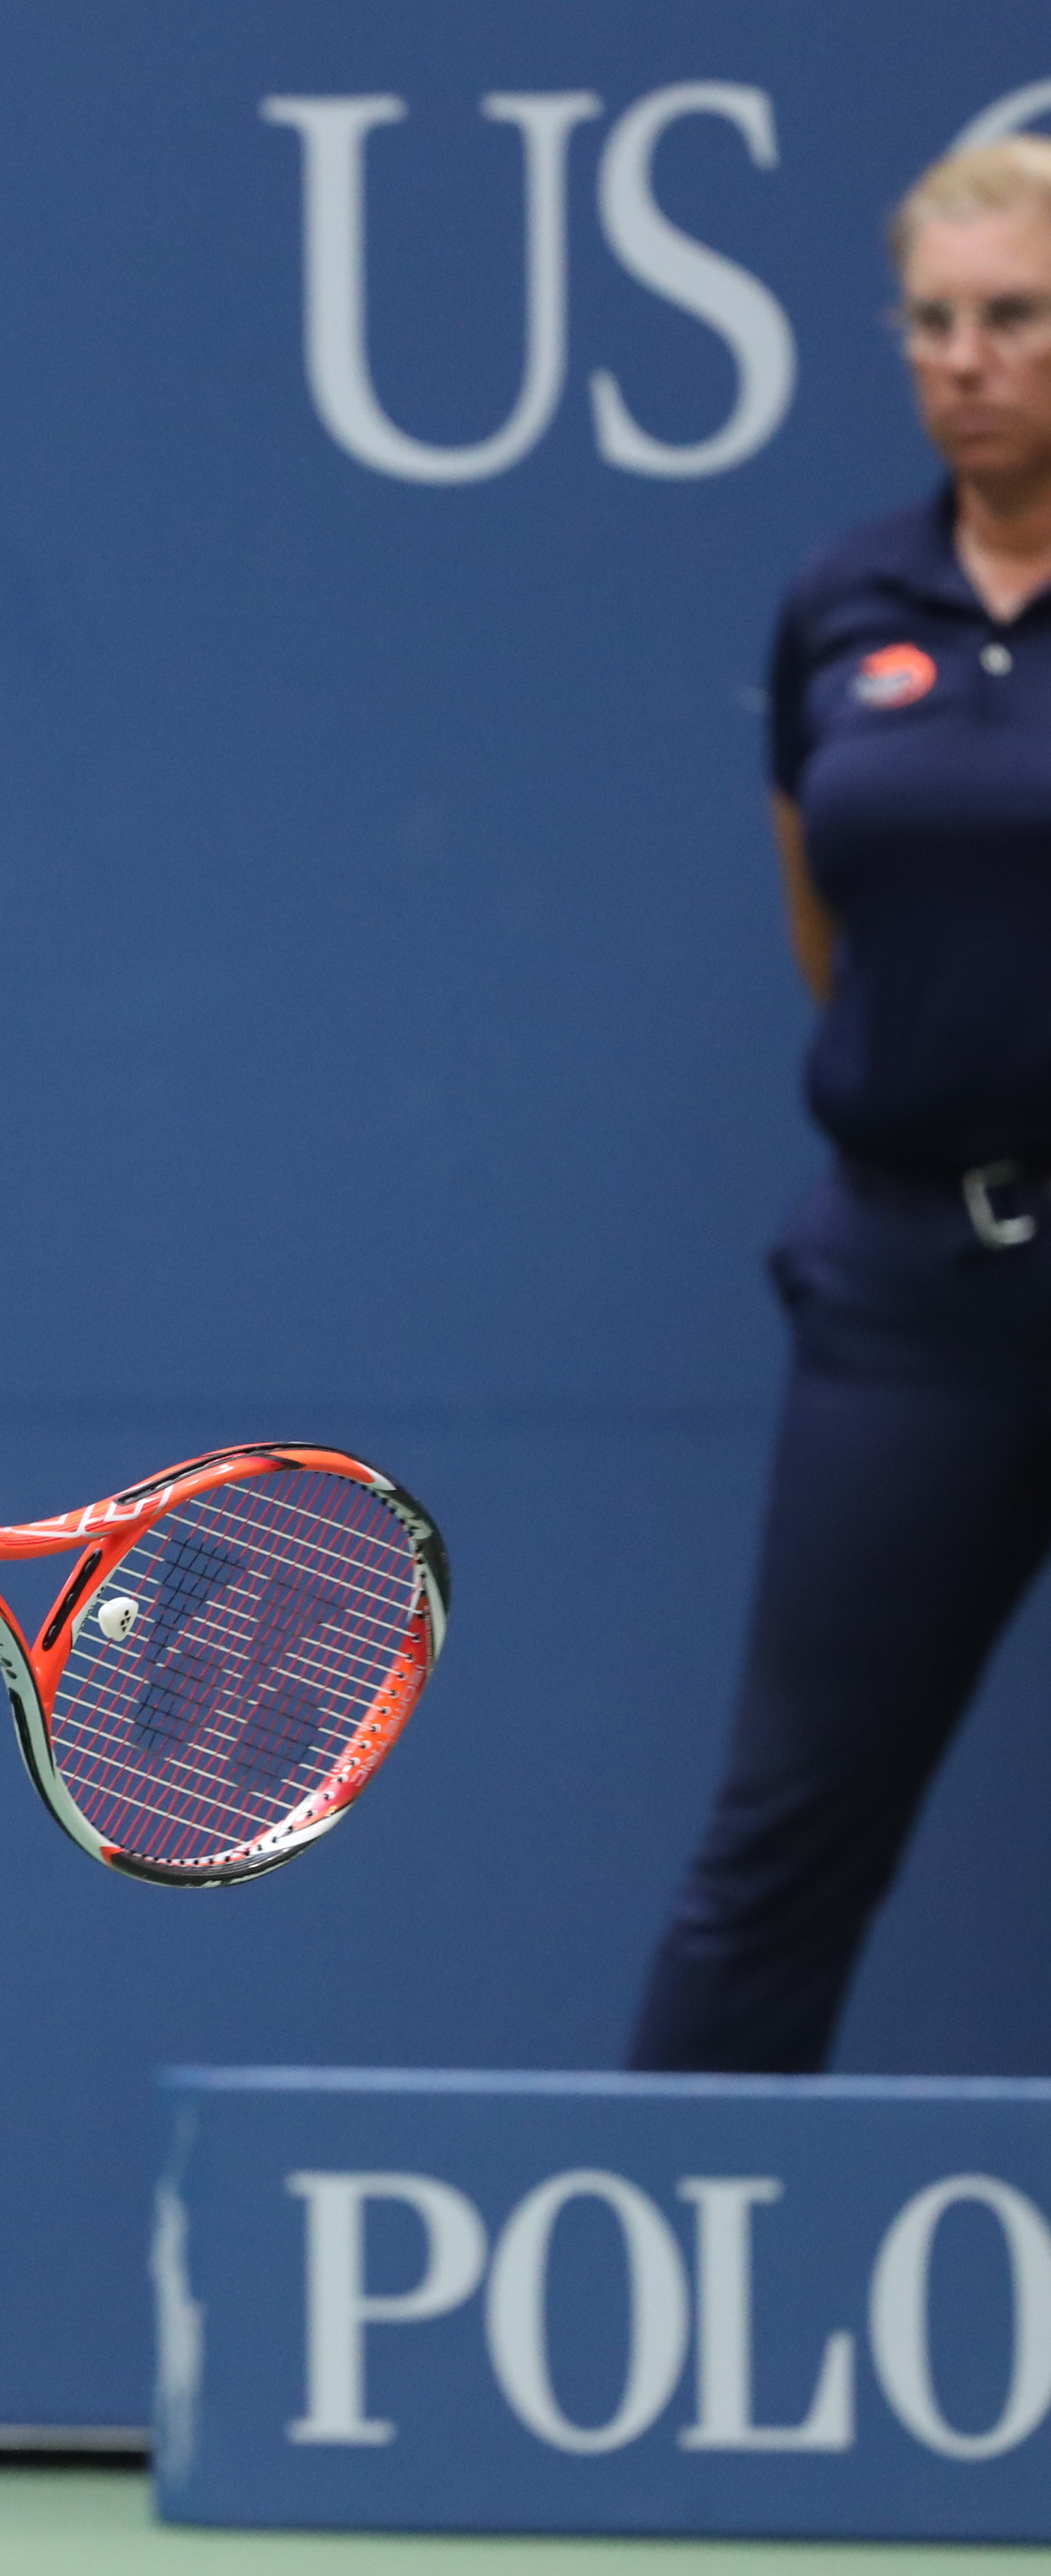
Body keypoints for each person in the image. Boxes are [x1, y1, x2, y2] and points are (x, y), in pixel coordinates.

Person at [627, 138, 1051, 2074]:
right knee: (780, 1847)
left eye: (1018, 320)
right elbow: (839, 936)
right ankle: (648, 2359)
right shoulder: (842, 600)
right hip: (910, 1300)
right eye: (937, 324)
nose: (969, 360)